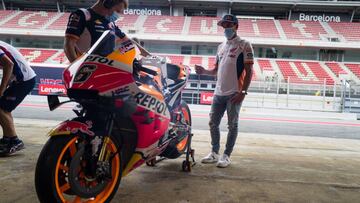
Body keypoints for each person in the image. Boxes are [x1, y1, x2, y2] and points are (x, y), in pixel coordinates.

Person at [195, 14, 254, 168]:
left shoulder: (245, 44)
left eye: (229, 25)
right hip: (218, 93)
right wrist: (204, 71)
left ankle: (226, 155)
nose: (226, 28)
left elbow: (249, 71)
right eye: (224, 25)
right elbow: (215, 70)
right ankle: (214, 153)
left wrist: (243, 92)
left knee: (232, 125)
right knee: (212, 123)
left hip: (234, 92)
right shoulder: (220, 46)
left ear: (236, 26)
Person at [64, 0, 150, 63]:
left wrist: (150, 56)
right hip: (86, 72)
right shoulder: (82, 15)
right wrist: (77, 69)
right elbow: (68, 45)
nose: (118, 15)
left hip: (104, 71)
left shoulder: (111, 24)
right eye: (117, 11)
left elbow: (130, 42)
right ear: (107, 3)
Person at [0, 41, 36, 156]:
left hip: (23, 80)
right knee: (4, 108)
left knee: (1, 108)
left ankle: (14, 141)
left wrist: (2, 88)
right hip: (20, 80)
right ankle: (7, 139)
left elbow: (9, 64)